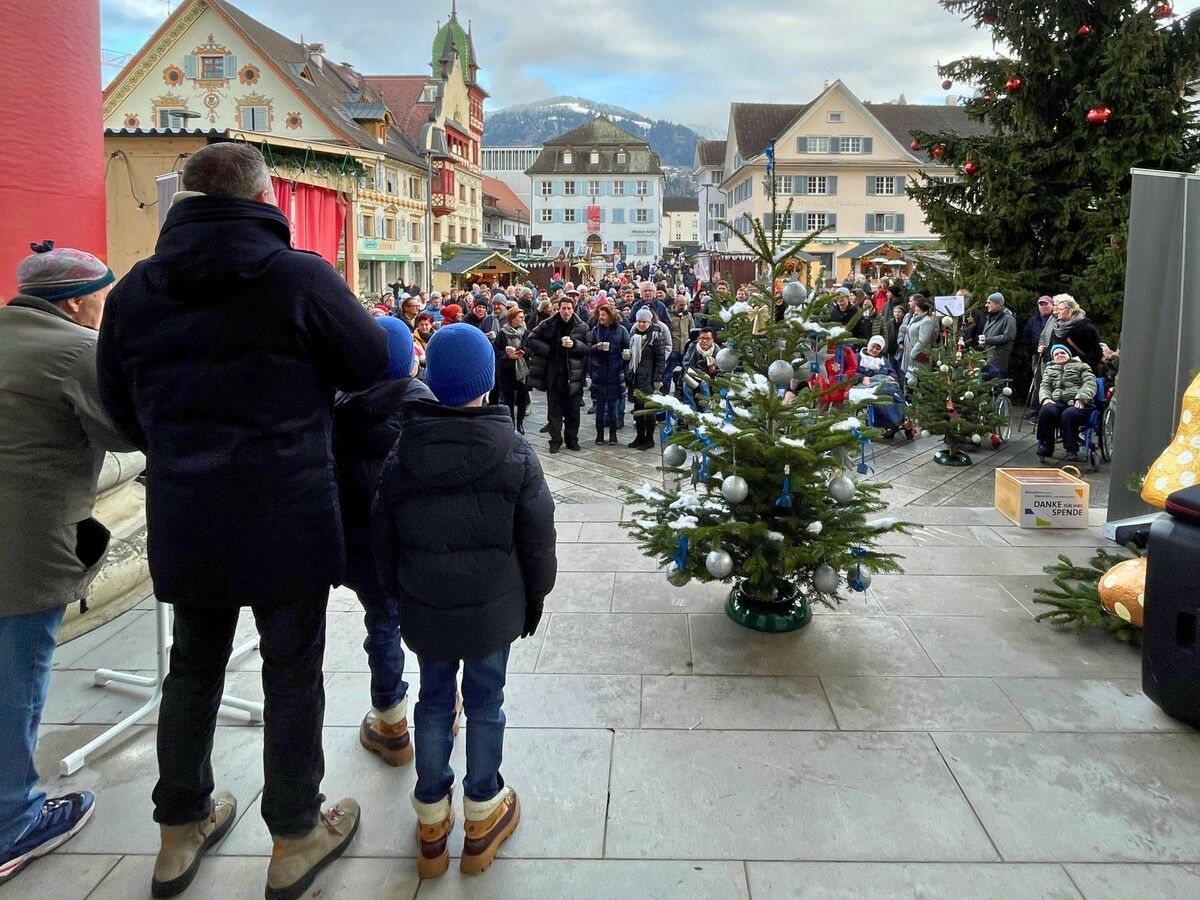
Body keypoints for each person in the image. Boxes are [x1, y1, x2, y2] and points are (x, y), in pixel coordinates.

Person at [96, 142, 383, 900]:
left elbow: (119, 414)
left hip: (188, 514)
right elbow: (368, 363)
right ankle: (292, 834)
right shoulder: (298, 276)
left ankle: (178, 829)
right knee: (292, 673)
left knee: (191, 670)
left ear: (185, 199)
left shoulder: (133, 293)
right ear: (265, 198)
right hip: (285, 511)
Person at [372, 324, 556, 881]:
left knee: (432, 702)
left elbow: (384, 536)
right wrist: (534, 598)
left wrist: (398, 594)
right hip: (491, 610)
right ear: (487, 382)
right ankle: (483, 810)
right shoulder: (513, 451)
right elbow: (538, 538)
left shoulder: (404, 452)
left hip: (427, 607)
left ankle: (431, 818)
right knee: (484, 703)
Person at [0, 244, 133, 886]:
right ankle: (12, 821)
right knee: (18, 677)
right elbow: (128, 428)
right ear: (77, 302)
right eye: (102, 302)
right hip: (24, 548)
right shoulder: (76, 349)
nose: (103, 314)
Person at [332, 319, 435, 769]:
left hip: (364, 553)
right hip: (420, 552)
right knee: (434, 629)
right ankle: (442, 706)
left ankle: (391, 723)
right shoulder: (429, 410)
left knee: (382, 627)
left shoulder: (334, 413)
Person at [525, 296, 590, 453]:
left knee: (573, 411)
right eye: (563, 308)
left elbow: (588, 348)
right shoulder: (548, 324)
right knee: (554, 410)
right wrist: (548, 350)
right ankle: (555, 440)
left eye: (569, 308)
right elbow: (531, 338)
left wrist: (574, 345)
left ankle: (572, 440)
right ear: (558, 309)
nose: (566, 311)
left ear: (573, 309)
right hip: (554, 373)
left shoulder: (582, 326)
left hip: (573, 375)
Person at [1036, 344, 1097, 461]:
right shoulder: (1050, 369)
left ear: (1069, 354)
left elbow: (1090, 383)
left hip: (1078, 403)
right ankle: (1047, 446)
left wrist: (1081, 398)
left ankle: (1071, 450)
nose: (1059, 355)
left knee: (1068, 414)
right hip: (1057, 403)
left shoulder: (1082, 366)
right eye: (1056, 354)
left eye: (1062, 353)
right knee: (1045, 410)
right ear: (1053, 358)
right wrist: (1045, 398)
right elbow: (1045, 386)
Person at [626, 309, 668, 450]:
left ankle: (649, 439)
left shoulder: (656, 336)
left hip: (649, 378)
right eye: (639, 321)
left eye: (644, 322)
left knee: (649, 410)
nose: (641, 324)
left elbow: (660, 360)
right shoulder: (634, 335)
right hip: (636, 377)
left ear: (650, 322)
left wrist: (657, 378)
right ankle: (639, 437)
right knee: (637, 409)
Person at [589, 304, 631, 444]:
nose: (601, 317)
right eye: (600, 315)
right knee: (600, 407)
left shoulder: (621, 330)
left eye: (604, 315)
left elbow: (627, 350)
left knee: (613, 407)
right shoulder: (595, 330)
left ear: (611, 316)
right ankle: (599, 434)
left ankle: (613, 434)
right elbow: (589, 349)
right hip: (599, 374)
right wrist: (596, 348)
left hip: (615, 374)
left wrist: (620, 365)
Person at [1038, 294, 1103, 375]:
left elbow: (1096, 353)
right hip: (1058, 375)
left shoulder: (1085, 328)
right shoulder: (1057, 327)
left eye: (1061, 309)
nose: (1057, 311)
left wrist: (1080, 368)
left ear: (1070, 310)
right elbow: (1050, 350)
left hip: (1080, 376)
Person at [494, 307, 531, 433]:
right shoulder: (503, 333)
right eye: (520, 317)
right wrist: (507, 354)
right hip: (507, 370)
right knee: (508, 398)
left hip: (522, 370)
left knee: (522, 397)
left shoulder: (525, 332)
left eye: (523, 317)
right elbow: (497, 351)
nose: (522, 319)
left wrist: (522, 352)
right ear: (512, 318)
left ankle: (520, 423)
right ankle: (511, 422)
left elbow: (530, 348)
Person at [977, 292, 1018, 377]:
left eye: (989, 303)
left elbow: (1009, 336)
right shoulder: (990, 317)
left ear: (998, 305)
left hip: (999, 360)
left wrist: (987, 340)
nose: (986, 305)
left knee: (998, 385)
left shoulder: (1008, 318)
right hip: (987, 357)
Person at [680, 326, 719, 410]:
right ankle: (690, 410)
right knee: (686, 384)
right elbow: (686, 364)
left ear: (712, 340)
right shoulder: (692, 347)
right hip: (694, 374)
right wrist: (701, 374)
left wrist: (711, 370)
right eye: (702, 338)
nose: (705, 341)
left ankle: (707, 410)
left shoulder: (716, 350)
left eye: (708, 338)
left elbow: (720, 368)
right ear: (698, 339)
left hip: (709, 377)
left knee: (704, 384)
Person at [900, 295, 937, 375]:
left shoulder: (927, 321)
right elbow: (914, 331)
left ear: (920, 307)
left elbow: (923, 340)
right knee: (908, 379)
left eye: (916, 305)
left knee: (916, 380)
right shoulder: (915, 318)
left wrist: (913, 353)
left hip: (918, 356)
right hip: (909, 354)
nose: (914, 307)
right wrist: (906, 329)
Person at [664, 293, 693, 393]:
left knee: (685, 373)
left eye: (685, 305)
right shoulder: (668, 315)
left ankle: (681, 392)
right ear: (675, 304)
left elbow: (691, 331)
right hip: (673, 349)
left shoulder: (688, 316)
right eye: (681, 305)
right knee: (667, 374)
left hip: (685, 350)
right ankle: (665, 395)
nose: (683, 307)